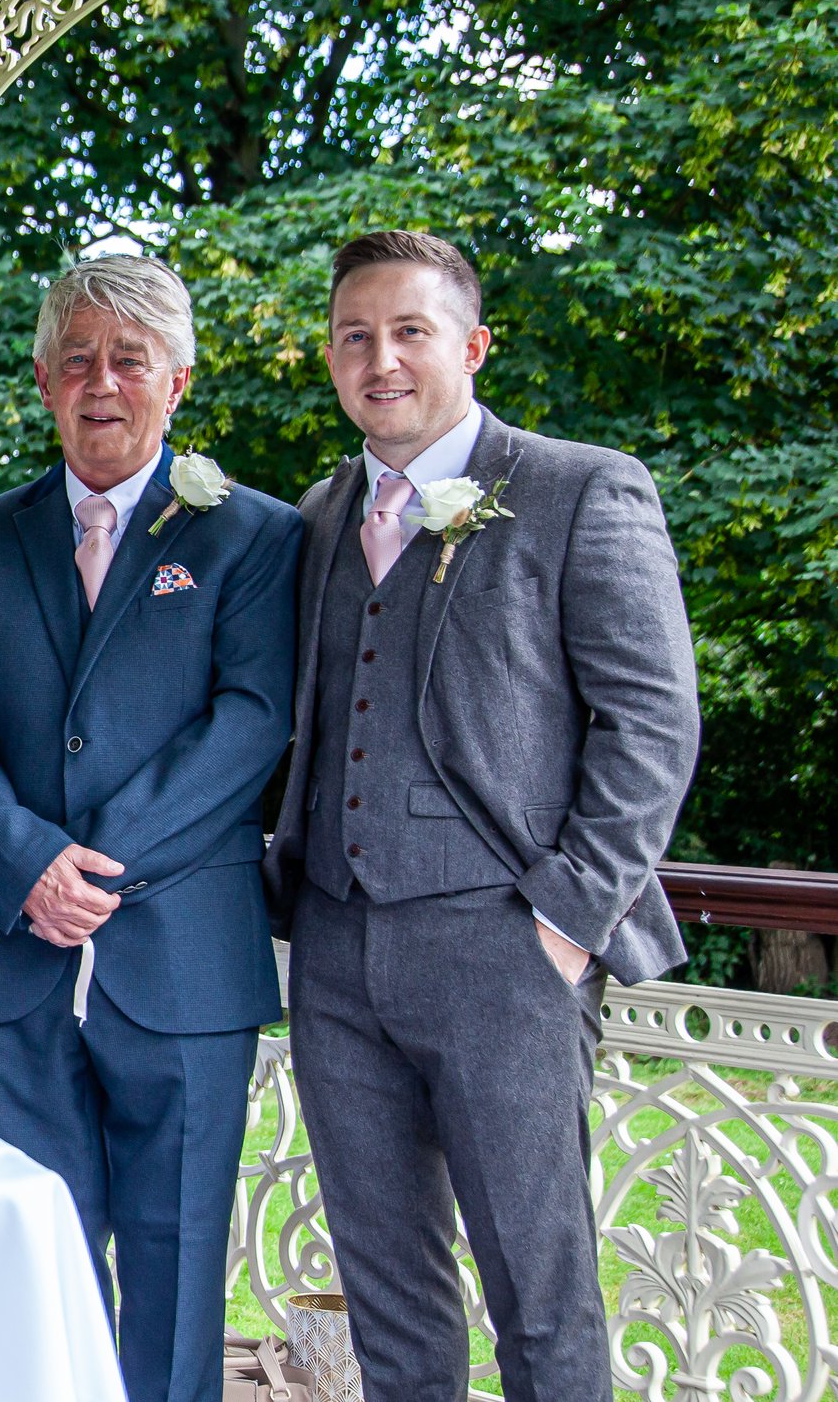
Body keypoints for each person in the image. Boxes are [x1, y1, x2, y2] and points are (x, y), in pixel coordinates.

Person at [265, 230, 700, 1401]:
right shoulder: (317, 513)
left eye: (409, 331)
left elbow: (651, 725)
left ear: (472, 344)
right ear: (331, 355)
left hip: (506, 946)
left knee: (539, 1290)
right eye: (356, 335)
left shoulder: (576, 488)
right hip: (339, 948)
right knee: (388, 1290)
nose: (381, 358)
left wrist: (561, 921)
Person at [0, 257, 299, 1402]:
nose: (102, 382)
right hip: (12, 965)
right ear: (41, 378)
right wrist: (29, 864)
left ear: (175, 382)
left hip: (182, 960)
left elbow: (252, 721)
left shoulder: (253, 535)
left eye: (129, 360)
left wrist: (96, 864)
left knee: (178, 1267)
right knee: (39, 1258)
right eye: (77, 359)